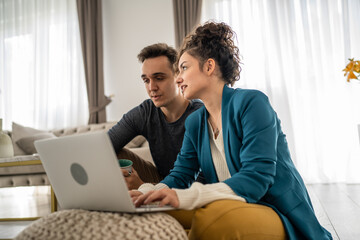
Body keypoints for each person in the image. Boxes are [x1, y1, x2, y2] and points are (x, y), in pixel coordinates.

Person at [132, 22, 333, 239]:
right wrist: (147, 193)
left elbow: (256, 179)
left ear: (209, 67)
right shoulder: (195, 122)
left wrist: (187, 197)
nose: (178, 78)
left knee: (211, 219)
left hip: (275, 210)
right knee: (151, 210)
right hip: (232, 205)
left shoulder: (252, 103)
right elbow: (181, 176)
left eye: (184, 68)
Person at [108, 43, 203, 190]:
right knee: (113, 153)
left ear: (178, 76)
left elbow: (200, 181)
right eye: (146, 80)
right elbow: (105, 144)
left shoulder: (200, 114)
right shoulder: (146, 112)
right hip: (161, 179)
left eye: (159, 78)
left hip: (194, 185)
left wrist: (144, 187)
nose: (151, 87)